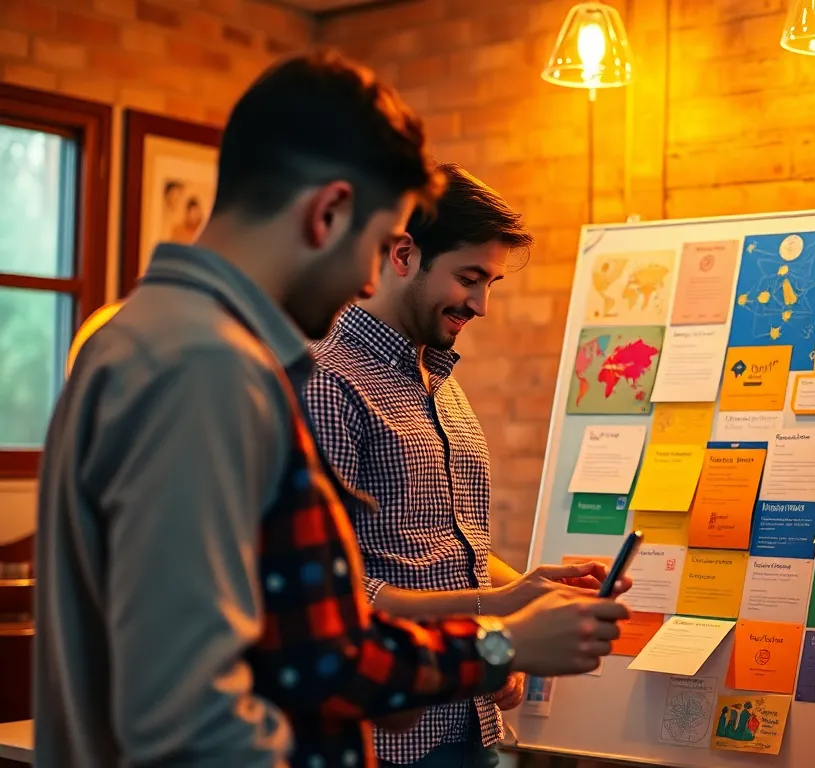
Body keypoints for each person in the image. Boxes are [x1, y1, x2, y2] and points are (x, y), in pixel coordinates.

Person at [36, 50, 628, 768]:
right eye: (380, 246)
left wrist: (498, 641)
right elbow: (191, 711)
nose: (374, 277)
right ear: (328, 213)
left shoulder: (142, 335)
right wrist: (500, 641)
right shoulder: (202, 367)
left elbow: (313, 646)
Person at [303, 162, 623, 768]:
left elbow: (446, 553)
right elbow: (338, 597)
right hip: (391, 739)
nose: (481, 305)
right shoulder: (329, 382)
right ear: (403, 255)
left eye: (491, 283)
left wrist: (524, 588)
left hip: (472, 720)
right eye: (470, 278)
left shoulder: (439, 379)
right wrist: (497, 623)